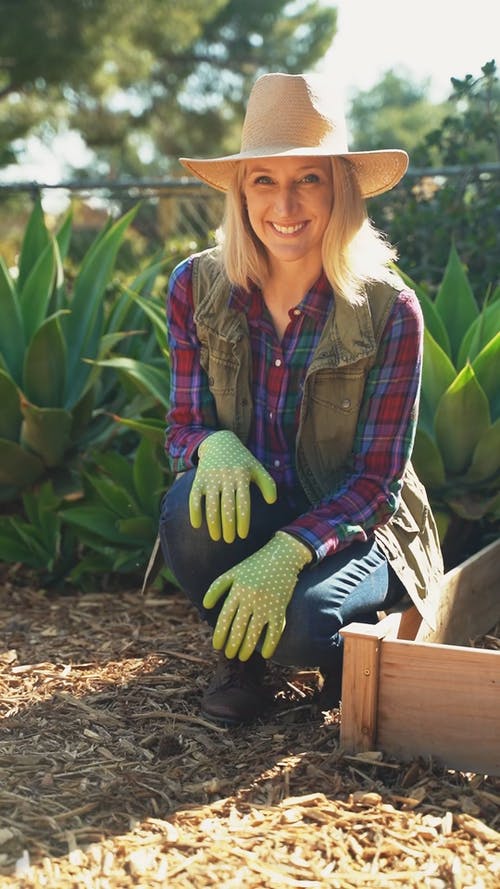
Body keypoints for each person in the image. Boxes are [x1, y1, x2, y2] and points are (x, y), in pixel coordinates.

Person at [158, 72, 444, 726]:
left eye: (307, 178)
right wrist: (212, 443)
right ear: (241, 191)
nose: (284, 204)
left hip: (358, 527)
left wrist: (289, 550)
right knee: (187, 514)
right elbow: (182, 425)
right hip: (259, 506)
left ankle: (344, 640)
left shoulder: (389, 310)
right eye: (264, 179)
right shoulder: (196, 286)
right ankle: (241, 663)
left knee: (303, 627)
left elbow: (376, 484)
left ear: (339, 188)